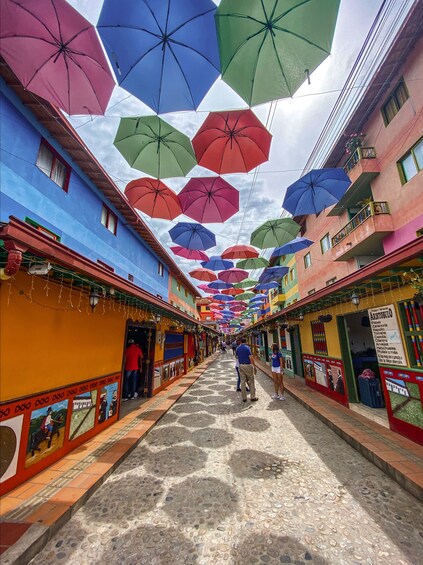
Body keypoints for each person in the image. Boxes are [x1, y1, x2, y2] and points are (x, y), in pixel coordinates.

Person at [236, 337, 258, 403]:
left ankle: (244, 398)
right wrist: (254, 366)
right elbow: (251, 357)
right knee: (251, 380)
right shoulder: (247, 348)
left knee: (242, 381)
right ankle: (252, 397)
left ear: (240, 342)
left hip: (241, 365)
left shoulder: (238, 348)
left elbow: (236, 356)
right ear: (245, 341)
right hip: (247, 365)